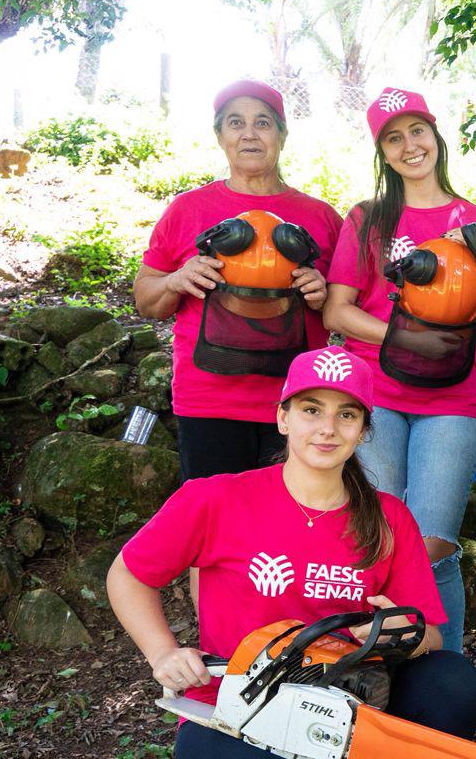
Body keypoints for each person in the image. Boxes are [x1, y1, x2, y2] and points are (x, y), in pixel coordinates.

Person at [106, 347, 476, 759]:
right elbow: (129, 576)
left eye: (346, 414)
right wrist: (162, 652)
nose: (327, 428)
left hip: (350, 699)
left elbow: (428, 632)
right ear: (282, 417)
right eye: (311, 409)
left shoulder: (387, 517)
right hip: (236, 706)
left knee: (452, 681)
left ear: (364, 430)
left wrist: (397, 633)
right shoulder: (217, 497)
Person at [322, 87, 476, 654]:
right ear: (382, 152)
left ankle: (442, 668)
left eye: (417, 131)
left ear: (435, 135)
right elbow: (337, 311)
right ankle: (374, 664)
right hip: (375, 393)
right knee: (376, 541)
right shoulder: (367, 219)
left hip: (451, 400)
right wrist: (407, 335)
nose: (409, 145)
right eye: (393, 137)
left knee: (435, 546)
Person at [133, 79, 342, 481]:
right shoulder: (187, 209)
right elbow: (145, 300)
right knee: (213, 515)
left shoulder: (323, 218)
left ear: (282, 135)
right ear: (220, 136)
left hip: (298, 405)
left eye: (263, 122)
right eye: (235, 122)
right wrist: (176, 280)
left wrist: (322, 296)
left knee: (291, 518)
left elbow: (345, 311)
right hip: (207, 403)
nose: (249, 134)